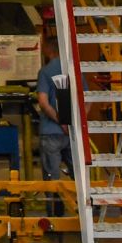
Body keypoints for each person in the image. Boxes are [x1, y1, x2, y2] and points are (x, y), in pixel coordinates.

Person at [34, 37, 72, 218]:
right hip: (72, 134)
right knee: (78, 176)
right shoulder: (73, 71)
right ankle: (83, 212)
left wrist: (60, 121)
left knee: (52, 178)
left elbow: (43, 102)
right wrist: (71, 124)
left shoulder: (46, 71)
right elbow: (85, 101)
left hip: (51, 132)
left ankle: (56, 217)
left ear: (49, 49)